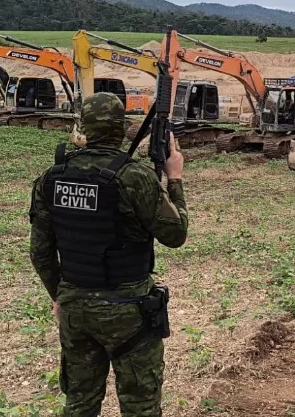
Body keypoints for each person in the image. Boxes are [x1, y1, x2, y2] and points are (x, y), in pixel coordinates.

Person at [29, 92, 188, 416]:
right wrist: (174, 178)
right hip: (129, 311)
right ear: (121, 128)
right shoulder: (134, 176)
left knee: (79, 403)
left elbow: (40, 252)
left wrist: (61, 295)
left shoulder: (52, 178)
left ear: (83, 127)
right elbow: (175, 235)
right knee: (140, 406)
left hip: (75, 311)